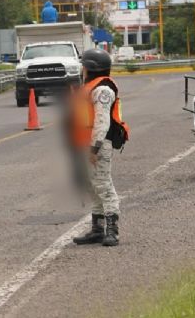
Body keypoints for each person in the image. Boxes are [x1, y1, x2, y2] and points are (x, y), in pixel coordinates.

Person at [70, 48, 128, 247]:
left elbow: (102, 123)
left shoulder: (102, 90)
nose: (81, 69)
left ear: (91, 68)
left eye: (84, 66)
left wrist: (94, 149)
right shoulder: (90, 88)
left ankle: (112, 230)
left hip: (98, 145)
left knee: (103, 185)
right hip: (86, 144)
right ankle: (97, 229)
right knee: (92, 186)